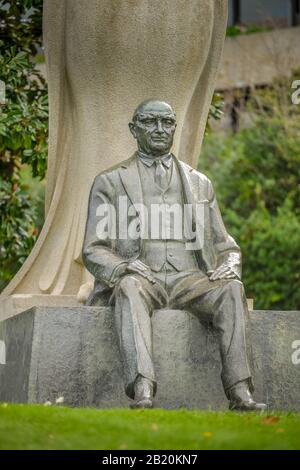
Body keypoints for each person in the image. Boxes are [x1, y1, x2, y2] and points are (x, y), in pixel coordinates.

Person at [83, 99, 266, 411]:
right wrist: (125, 266)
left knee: (232, 289)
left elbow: (227, 245)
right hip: (142, 277)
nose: (159, 129)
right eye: (149, 122)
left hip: (190, 279)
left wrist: (230, 265)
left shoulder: (200, 183)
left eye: (167, 122)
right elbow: (93, 249)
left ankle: (240, 391)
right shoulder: (110, 181)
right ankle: (143, 389)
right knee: (128, 287)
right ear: (133, 128)